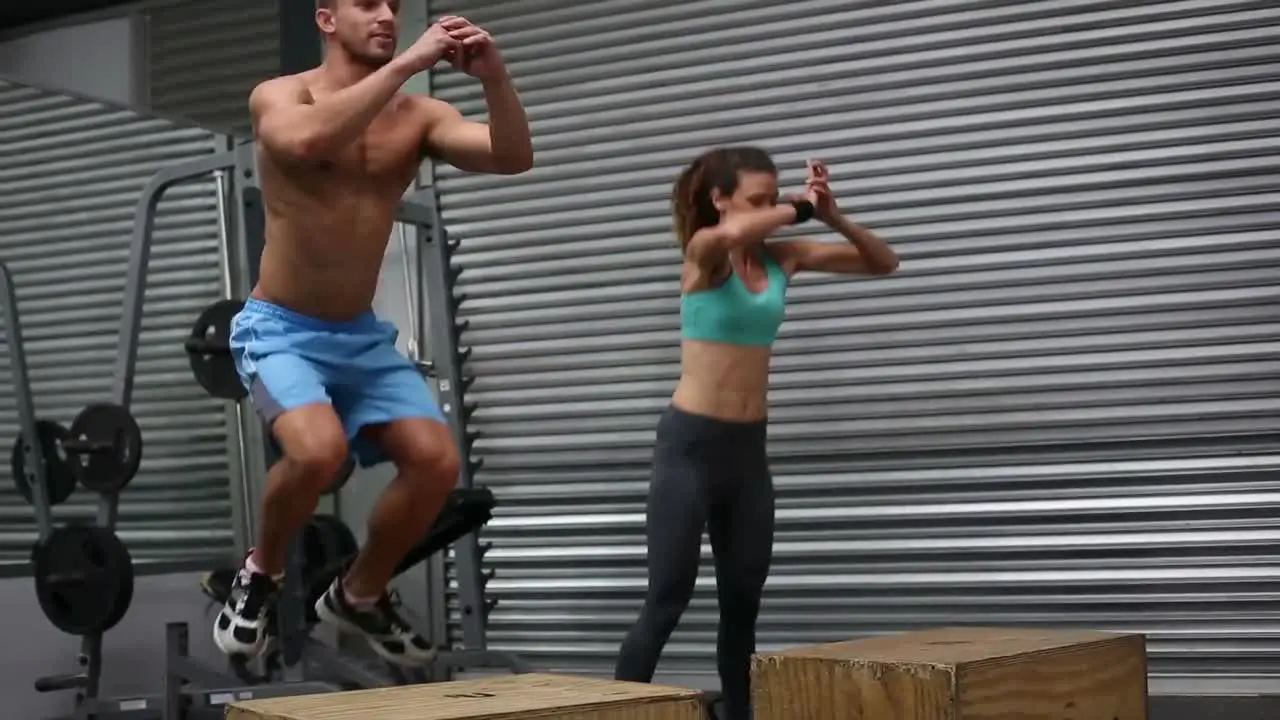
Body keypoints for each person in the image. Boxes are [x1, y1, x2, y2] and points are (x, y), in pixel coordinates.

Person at [212, 0, 533, 668]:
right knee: (317, 454)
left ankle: (360, 594)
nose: (387, 15)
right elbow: (303, 143)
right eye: (368, 4)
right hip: (281, 329)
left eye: (394, 5)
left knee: (436, 462)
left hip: (358, 337)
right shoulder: (281, 95)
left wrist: (494, 77)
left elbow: (512, 157)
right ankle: (260, 574)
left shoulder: (418, 117)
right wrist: (415, 61)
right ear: (327, 19)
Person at [613, 147, 900, 719]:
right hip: (689, 448)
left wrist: (834, 216)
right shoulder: (704, 256)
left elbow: (882, 262)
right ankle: (616, 710)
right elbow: (731, 234)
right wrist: (800, 207)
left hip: (747, 455)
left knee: (742, 605)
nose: (772, 209)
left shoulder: (781, 260)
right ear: (719, 201)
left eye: (776, 197)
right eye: (758, 200)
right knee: (667, 597)